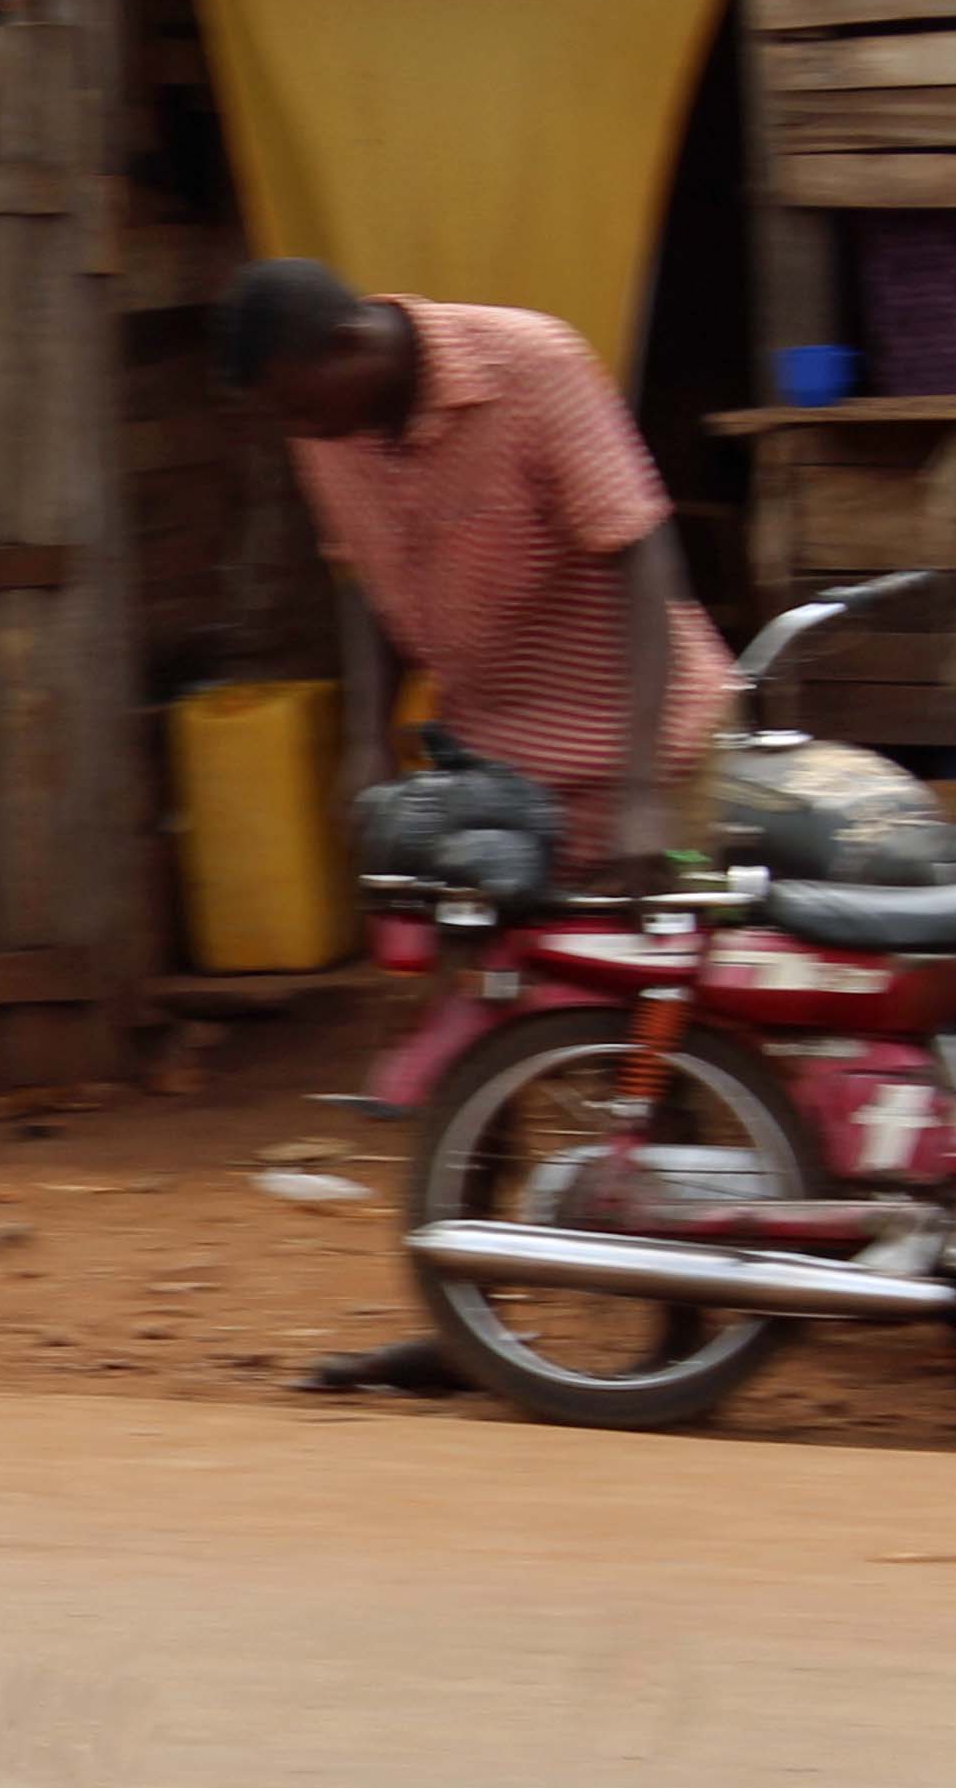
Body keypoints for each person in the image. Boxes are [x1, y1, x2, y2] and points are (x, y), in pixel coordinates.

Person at [229, 257, 730, 1400]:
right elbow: (359, 586)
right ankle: (471, 1321)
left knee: (656, 1034)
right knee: (484, 1030)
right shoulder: (330, 427)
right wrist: (365, 738)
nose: (298, 433)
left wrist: (648, 782)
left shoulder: (532, 365)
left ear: (346, 351)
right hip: (496, 767)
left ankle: (686, 1322)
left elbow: (646, 556)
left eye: (300, 407)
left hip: (646, 745)